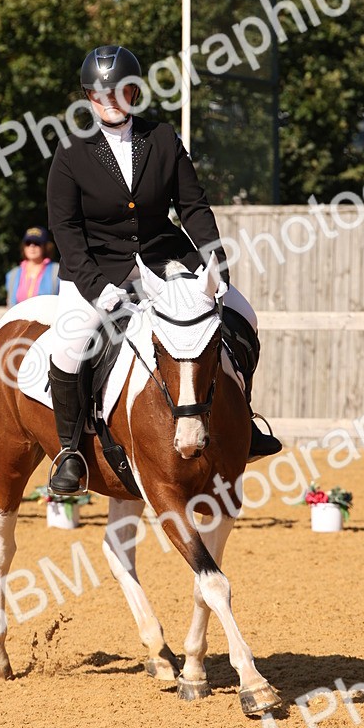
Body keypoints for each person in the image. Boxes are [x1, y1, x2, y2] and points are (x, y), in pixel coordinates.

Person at [45, 43, 281, 494]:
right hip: (98, 267)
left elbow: (192, 206)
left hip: (166, 259)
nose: (111, 101)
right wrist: (97, 288)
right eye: (100, 94)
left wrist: (215, 261)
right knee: (69, 346)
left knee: (244, 315)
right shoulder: (72, 152)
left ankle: (242, 421)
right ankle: (70, 451)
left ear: (134, 93)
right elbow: (66, 229)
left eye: (121, 92)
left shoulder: (162, 139)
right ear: (88, 97)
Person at [5, 225, 60, 307]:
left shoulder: (57, 271)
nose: (32, 246)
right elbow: (10, 304)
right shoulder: (12, 274)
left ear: (45, 247)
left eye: (37, 243)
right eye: (28, 243)